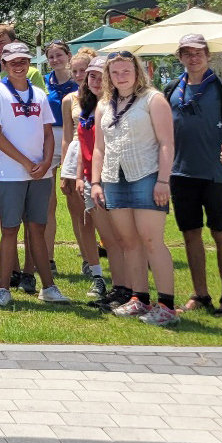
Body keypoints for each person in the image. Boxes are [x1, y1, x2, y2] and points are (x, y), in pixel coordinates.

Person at [90, 50, 177, 326]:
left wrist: (163, 180)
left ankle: (166, 304)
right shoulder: (104, 105)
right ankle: (139, 297)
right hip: (114, 178)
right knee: (128, 242)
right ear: (108, 76)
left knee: (152, 240)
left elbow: (166, 143)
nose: (121, 76)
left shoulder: (154, 99)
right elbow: (99, 148)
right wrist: (95, 181)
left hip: (147, 175)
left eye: (126, 71)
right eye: (115, 72)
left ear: (138, 72)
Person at [0, 42, 69, 307]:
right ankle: (4, 288)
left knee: (37, 229)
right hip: (9, 174)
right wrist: (26, 162)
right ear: (4, 65)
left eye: (23, 61)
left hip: (40, 174)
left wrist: (45, 164)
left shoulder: (40, 95)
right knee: (10, 229)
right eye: (13, 62)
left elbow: (48, 133)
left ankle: (49, 287)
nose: (19, 65)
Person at [166, 34, 222, 317]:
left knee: (221, 232)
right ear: (180, 57)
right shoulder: (172, 89)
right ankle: (200, 294)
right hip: (180, 173)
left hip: (214, 174)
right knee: (190, 234)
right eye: (187, 53)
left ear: (208, 55)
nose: (193, 57)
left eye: (198, 52)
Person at [74, 56, 125, 305]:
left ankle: (127, 288)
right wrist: (80, 175)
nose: (96, 81)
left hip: (112, 179)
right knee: (107, 236)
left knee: (119, 238)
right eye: (92, 76)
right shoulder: (86, 106)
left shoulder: (116, 107)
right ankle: (117, 288)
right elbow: (84, 146)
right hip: (90, 179)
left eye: (101, 76)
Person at [59, 50, 99, 289]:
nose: (78, 75)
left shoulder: (105, 98)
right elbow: (66, 136)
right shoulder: (69, 100)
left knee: (98, 214)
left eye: (83, 71)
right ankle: (87, 258)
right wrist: (65, 168)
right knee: (79, 214)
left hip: (97, 153)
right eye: (74, 71)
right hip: (75, 154)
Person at [42, 40, 78, 273]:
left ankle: (88, 258)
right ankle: (48, 258)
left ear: (68, 55)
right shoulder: (44, 84)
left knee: (76, 201)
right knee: (48, 204)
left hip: (73, 138)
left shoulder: (79, 82)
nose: (55, 60)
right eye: (51, 57)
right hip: (47, 139)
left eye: (59, 55)